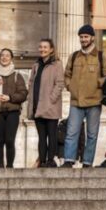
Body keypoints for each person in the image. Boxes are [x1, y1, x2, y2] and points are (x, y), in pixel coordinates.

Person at [62, 25, 106, 168]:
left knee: (92, 135)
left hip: (94, 101)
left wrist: (98, 84)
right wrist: (69, 86)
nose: (83, 39)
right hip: (76, 102)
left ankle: (87, 162)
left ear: (92, 38)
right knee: (71, 132)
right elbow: (67, 74)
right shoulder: (74, 56)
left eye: (86, 37)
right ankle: (69, 160)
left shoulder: (102, 57)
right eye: (81, 37)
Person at [0, 48, 28, 168]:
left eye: (7, 55)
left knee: (9, 140)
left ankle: (9, 166)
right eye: (2, 55)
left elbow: (23, 93)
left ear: (11, 58)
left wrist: (10, 97)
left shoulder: (17, 76)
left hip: (12, 111)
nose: (4, 57)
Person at [28, 38, 64, 168]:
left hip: (51, 106)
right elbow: (31, 83)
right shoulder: (36, 65)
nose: (42, 49)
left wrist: (51, 99)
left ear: (51, 49)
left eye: (45, 47)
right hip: (37, 106)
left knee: (52, 134)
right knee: (41, 136)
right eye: (41, 47)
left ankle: (50, 160)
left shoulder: (57, 64)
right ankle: (42, 160)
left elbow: (60, 84)